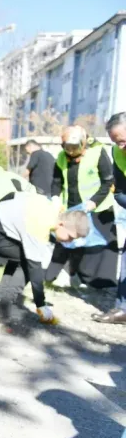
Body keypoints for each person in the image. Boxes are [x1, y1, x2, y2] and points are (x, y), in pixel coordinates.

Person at [0, 191, 89, 323]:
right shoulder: (41, 225)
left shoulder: (51, 207)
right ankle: (1, 307)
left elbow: (12, 194)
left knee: (21, 256)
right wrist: (40, 304)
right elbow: (35, 269)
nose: (69, 242)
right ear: (61, 225)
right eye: (70, 237)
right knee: (27, 262)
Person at [46, 125, 118, 289]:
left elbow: (108, 181)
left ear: (83, 144)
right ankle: (58, 276)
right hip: (71, 209)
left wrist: (93, 202)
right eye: (67, 148)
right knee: (67, 242)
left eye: (75, 147)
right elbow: (56, 182)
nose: (71, 152)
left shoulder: (98, 152)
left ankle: (97, 283)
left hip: (97, 208)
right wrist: (56, 198)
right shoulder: (61, 157)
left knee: (95, 248)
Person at [93, 112, 126, 324]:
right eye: (117, 142)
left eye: (123, 141)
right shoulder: (117, 152)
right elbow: (119, 192)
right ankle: (123, 308)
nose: (121, 147)